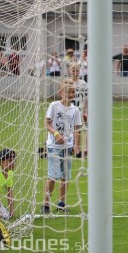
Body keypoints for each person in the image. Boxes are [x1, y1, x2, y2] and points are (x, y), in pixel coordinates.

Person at [42, 79, 82, 214]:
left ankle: (61, 204)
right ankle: (46, 204)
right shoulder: (54, 106)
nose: (71, 94)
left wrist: (77, 146)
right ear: (61, 92)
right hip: (53, 147)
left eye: (73, 92)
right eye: (68, 91)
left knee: (65, 177)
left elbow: (77, 130)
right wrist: (56, 134)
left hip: (68, 148)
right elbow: (47, 124)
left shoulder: (75, 110)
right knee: (53, 176)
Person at [69, 62, 88, 158]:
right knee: (74, 130)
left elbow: (86, 97)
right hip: (71, 109)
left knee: (84, 129)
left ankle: (85, 150)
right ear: (70, 71)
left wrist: (85, 110)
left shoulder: (83, 83)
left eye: (77, 70)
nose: (75, 72)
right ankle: (76, 149)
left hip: (81, 109)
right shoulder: (68, 83)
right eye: (73, 70)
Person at [0, 149, 15, 220]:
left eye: (14, 160)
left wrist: (12, 212)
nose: (13, 163)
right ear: (1, 161)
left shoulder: (10, 173)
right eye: (9, 161)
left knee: (5, 216)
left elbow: (9, 193)